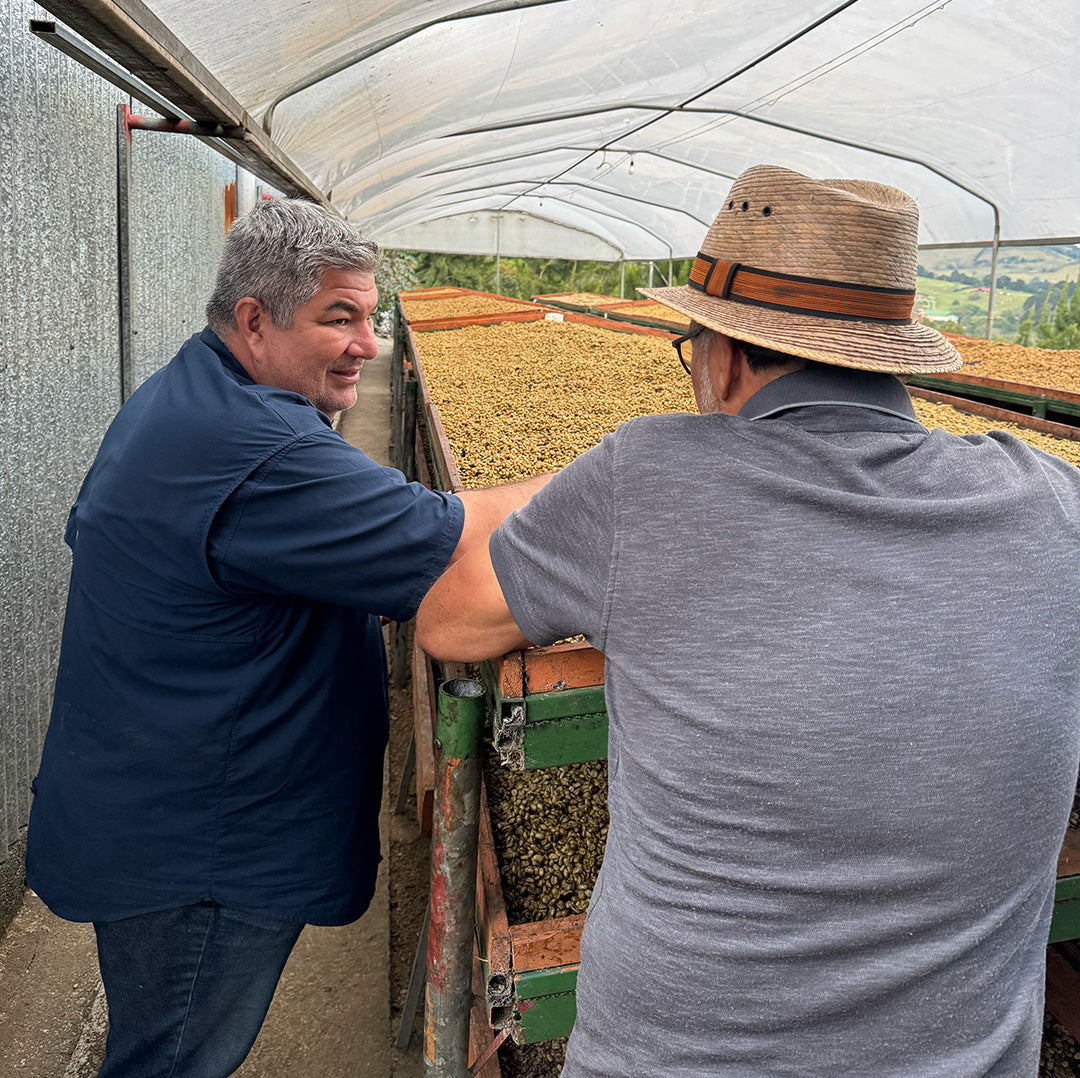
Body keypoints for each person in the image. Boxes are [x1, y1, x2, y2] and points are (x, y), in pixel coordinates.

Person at [417, 164, 1080, 1078]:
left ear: (723, 356)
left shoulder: (645, 480)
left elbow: (446, 622)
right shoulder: (1053, 503)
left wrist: (581, 492)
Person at [26, 196, 547, 1078]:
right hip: (199, 850)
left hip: (146, 798)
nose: (369, 345)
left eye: (371, 317)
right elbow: (453, 534)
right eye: (338, 318)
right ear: (254, 320)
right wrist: (616, 473)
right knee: (174, 1056)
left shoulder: (189, 393)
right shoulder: (257, 447)